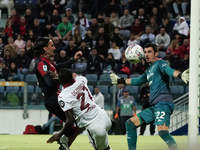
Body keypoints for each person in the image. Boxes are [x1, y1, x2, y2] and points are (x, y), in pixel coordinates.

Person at [110, 43, 189, 150]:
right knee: (130, 124)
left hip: (163, 103)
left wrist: (180, 75)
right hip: (154, 106)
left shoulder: (161, 63)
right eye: (145, 52)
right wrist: (120, 80)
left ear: (156, 53)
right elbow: (137, 81)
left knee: (162, 132)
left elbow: (169, 71)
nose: (146, 55)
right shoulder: (149, 70)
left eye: (149, 52)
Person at [33, 37, 83, 150]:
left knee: (77, 122)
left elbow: (58, 68)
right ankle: (62, 140)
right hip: (52, 99)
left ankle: (63, 143)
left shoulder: (46, 61)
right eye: (52, 46)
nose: (54, 48)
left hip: (56, 97)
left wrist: (73, 60)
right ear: (45, 48)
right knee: (76, 122)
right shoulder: (41, 63)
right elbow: (50, 82)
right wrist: (70, 79)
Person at [47, 68, 112, 150]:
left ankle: (65, 140)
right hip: (103, 116)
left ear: (60, 80)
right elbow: (74, 77)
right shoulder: (81, 79)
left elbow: (70, 120)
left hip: (93, 125)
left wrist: (59, 134)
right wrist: (61, 77)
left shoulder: (63, 96)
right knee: (106, 148)